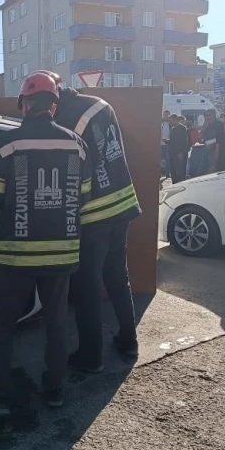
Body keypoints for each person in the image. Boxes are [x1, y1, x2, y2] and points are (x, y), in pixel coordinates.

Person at [0, 72, 93, 416]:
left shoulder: (7, 145)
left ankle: (0, 393)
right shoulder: (77, 145)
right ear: (54, 105)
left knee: (5, 324)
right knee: (56, 324)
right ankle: (55, 390)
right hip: (62, 254)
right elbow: (83, 197)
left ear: (24, 104)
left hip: (16, 255)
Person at [36, 70, 142, 373]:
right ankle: (128, 339)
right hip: (122, 203)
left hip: (94, 212)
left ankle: (90, 357)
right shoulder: (99, 103)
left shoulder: (66, 120)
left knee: (87, 285)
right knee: (117, 277)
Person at [167, 115, 190, 184]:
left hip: (179, 154)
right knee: (173, 172)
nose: (169, 122)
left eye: (171, 120)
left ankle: (181, 185)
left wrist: (182, 153)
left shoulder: (182, 128)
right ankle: (174, 185)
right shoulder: (173, 129)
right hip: (172, 153)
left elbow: (184, 142)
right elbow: (172, 141)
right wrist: (166, 141)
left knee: (179, 172)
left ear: (175, 120)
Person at [160, 110, 171, 178]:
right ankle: (160, 173)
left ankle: (167, 174)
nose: (166, 116)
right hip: (160, 144)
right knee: (160, 159)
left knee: (167, 159)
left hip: (167, 144)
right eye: (165, 114)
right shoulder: (160, 123)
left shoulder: (170, 124)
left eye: (167, 115)